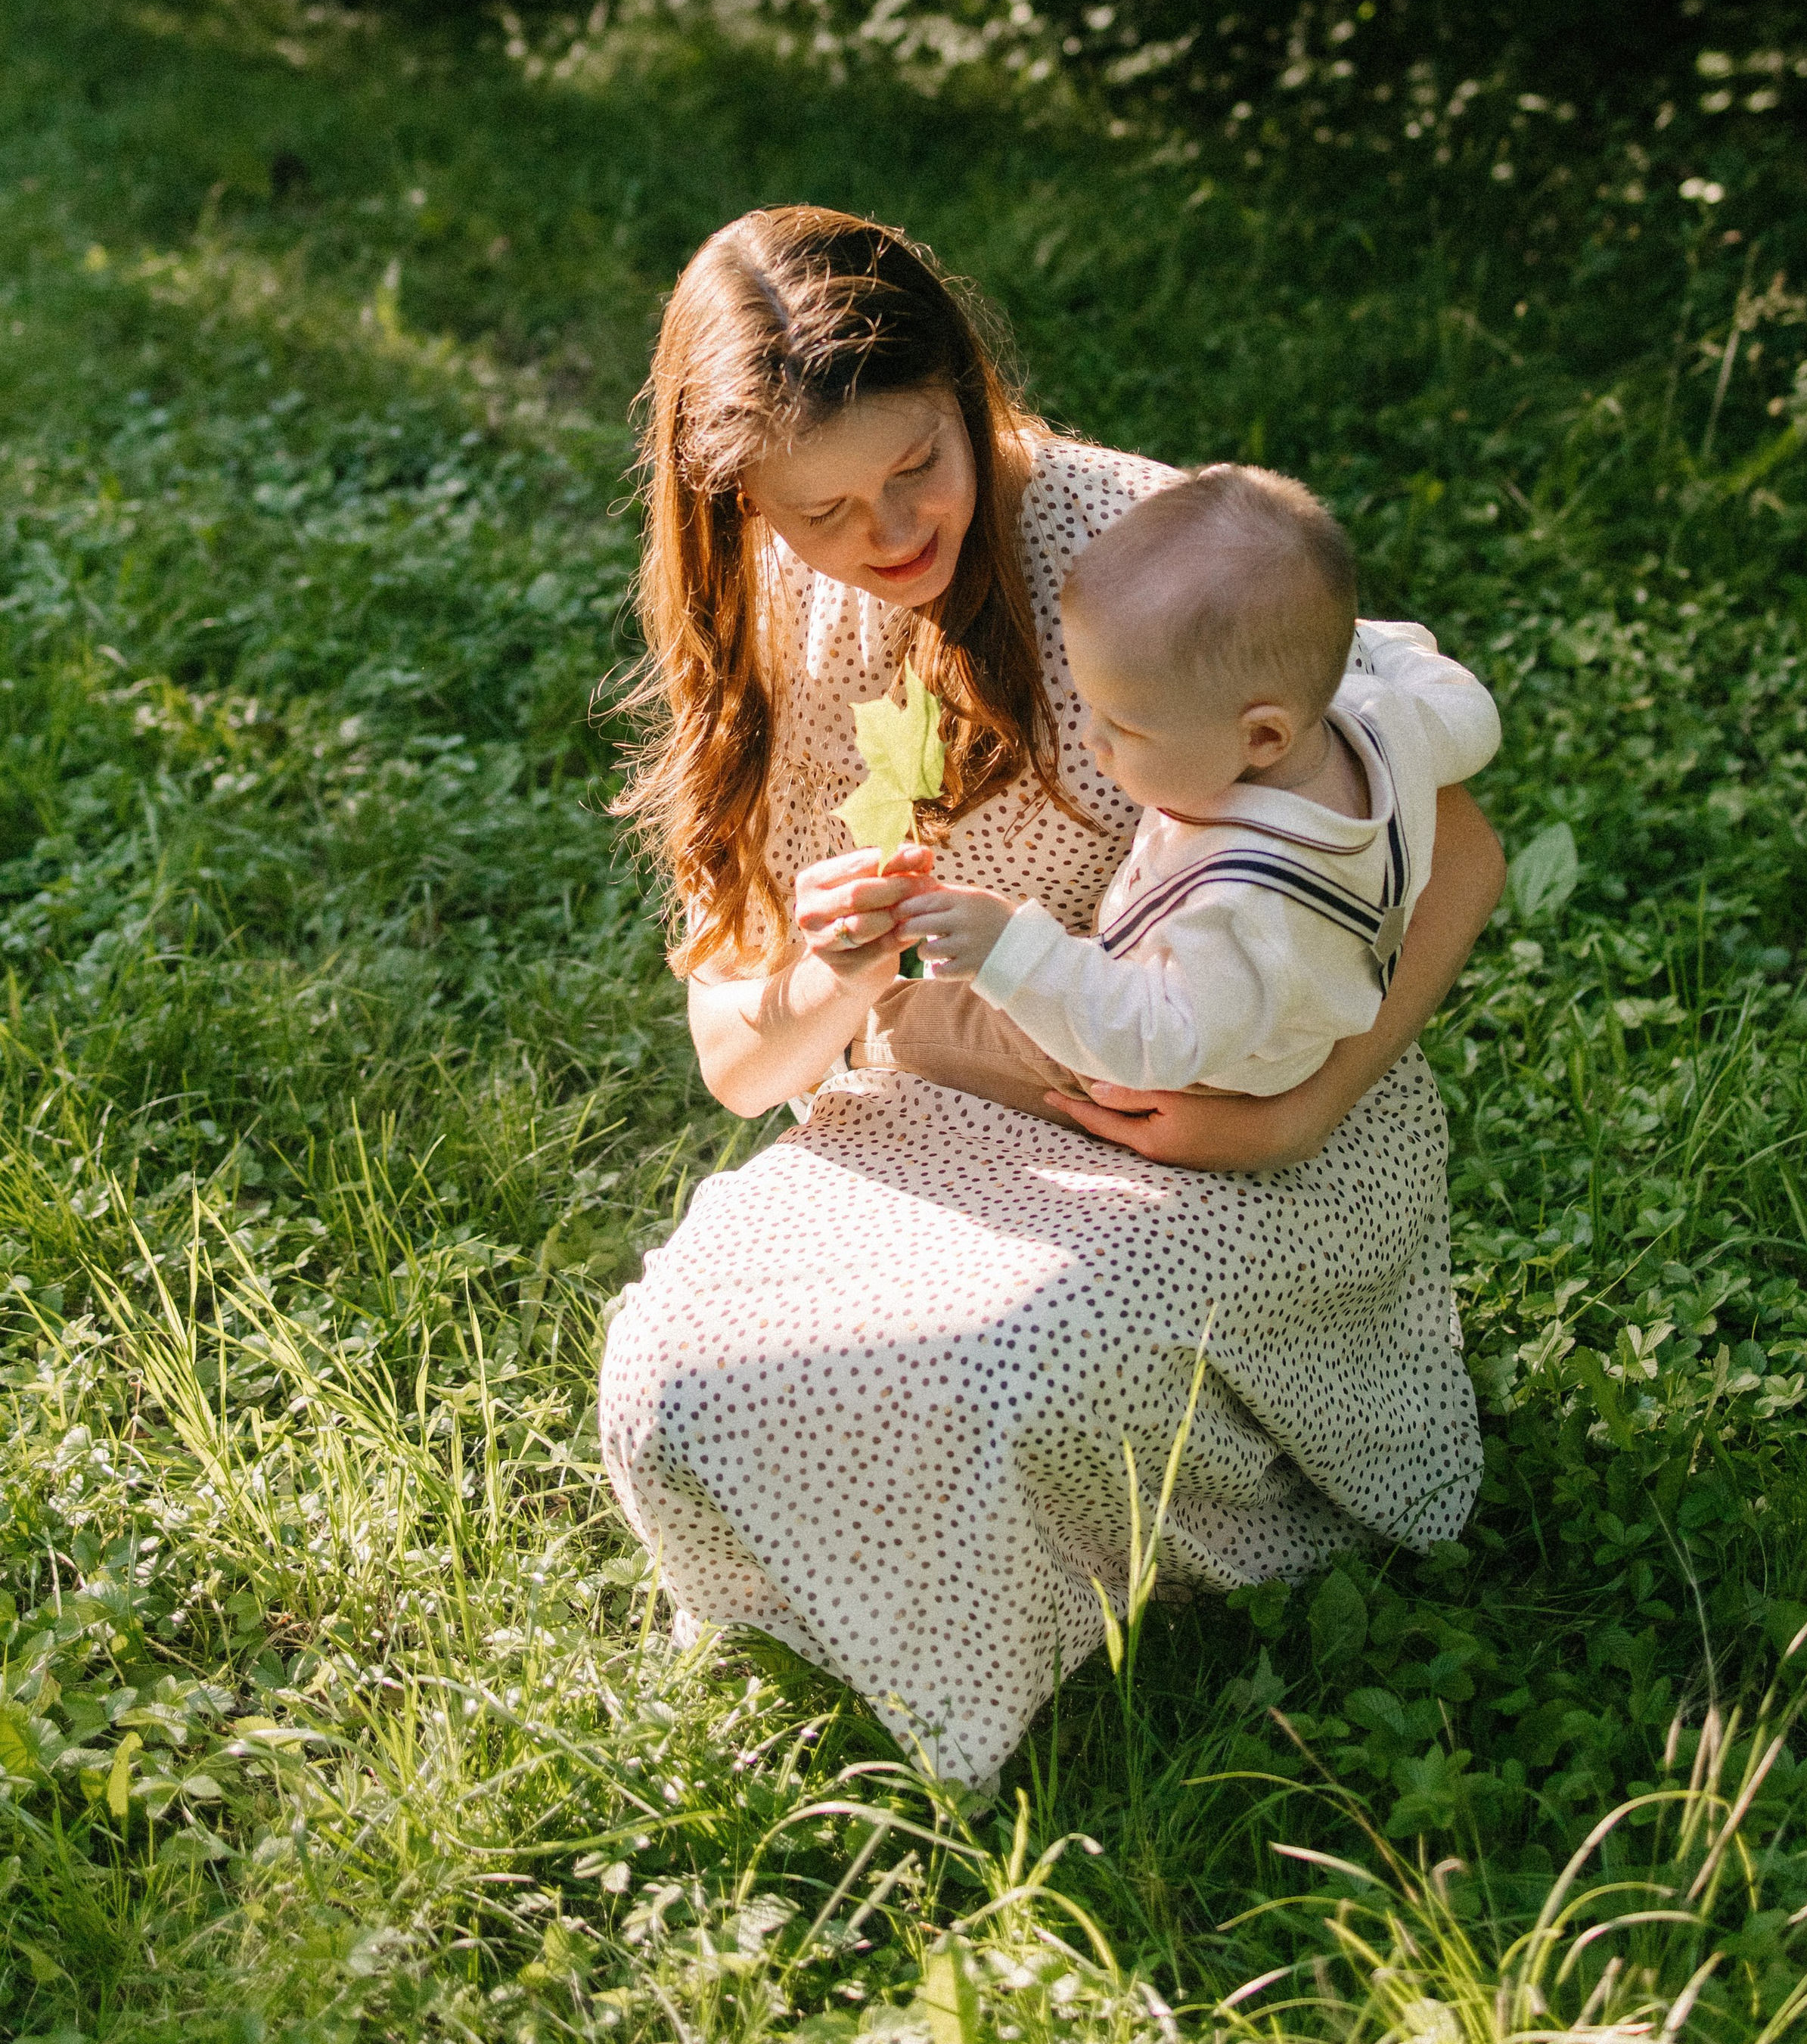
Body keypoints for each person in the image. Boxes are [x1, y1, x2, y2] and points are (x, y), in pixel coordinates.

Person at [598, 206, 1504, 1797]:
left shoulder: (1151, 555)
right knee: (674, 1364)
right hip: (943, 1110)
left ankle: (1127, 1584)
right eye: (822, 507)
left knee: (1009, 1363)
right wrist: (851, 951)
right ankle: (895, 1603)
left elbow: (1460, 853)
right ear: (736, 500)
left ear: (968, 390)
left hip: (1214, 1122)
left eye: (918, 468)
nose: (886, 533)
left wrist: (1297, 1105)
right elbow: (743, 1067)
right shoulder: (760, 616)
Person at [892, 463, 1501, 1107]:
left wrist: (1010, 948)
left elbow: (1156, 1038)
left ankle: (859, 1045)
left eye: (1125, 726)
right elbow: (1471, 715)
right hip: (1253, 1003)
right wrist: (1359, 640)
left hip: (1209, 1065)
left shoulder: (1247, 903)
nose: (1093, 741)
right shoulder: (1385, 716)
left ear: (1263, 738)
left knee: (946, 1031)